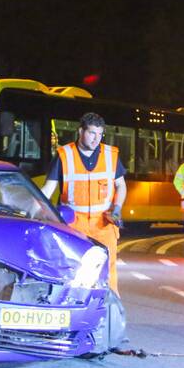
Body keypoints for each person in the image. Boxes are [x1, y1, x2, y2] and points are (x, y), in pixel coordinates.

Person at [41, 113, 127, 292]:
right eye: (92, 133)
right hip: (74, 224)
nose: (96, 139)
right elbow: (48, 190)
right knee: (74, 272)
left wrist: (117, 208)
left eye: (100, 134)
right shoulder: (64, 155)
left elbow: (121, 185)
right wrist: (31, 208)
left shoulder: (110, 155)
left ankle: (110, 305)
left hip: (104, 225)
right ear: (80, 131)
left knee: (108, 272)